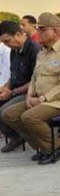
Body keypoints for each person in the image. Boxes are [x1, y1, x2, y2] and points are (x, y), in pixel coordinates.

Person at [1, 13, 60, 164]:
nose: (38, 32)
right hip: (41, 98)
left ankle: (56, 147)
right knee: (8, 114)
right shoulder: (42, 52)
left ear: (56, 31)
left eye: (43, 29)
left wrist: (42, 99)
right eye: (38, 29)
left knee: (29, 117)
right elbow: (34, 78)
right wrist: (29, 96)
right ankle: (43, 146)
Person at [0, 21, 40, 152]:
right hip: (16, 90)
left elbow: (36, 81)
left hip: (31, 92)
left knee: (5, 111)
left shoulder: (34, 49)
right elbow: (14, 75)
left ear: (17, 34)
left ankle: (24, 136)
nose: (6, 45)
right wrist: (5, 87)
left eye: (7, 41)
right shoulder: (14, 50)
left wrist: (11, 93)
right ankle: (14, 136)